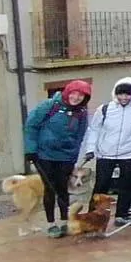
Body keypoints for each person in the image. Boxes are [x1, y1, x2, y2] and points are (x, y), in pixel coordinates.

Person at [81, 76, 131, 226]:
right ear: (116, 93)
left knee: (127, 185)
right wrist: (90, 149)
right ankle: (92, 215)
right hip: (105, 153)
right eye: (121, 93)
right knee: (101, 186)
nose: (124, 97)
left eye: (128, 94)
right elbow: (94, 130)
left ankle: (122, 214)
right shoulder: (104, 109)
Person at [24, 79, 92, 237]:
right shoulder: (49, 106)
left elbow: (79, 136)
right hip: (44, 155)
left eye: (81, 96)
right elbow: (31, 125)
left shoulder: (81, 113)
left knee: (63, 189)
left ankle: (63, 221)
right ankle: (50, 223)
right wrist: (30, 149)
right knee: (50, 189)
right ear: (68, 92)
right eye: (74, 93)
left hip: (66, 156)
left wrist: (74, 156)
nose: (76, 98)